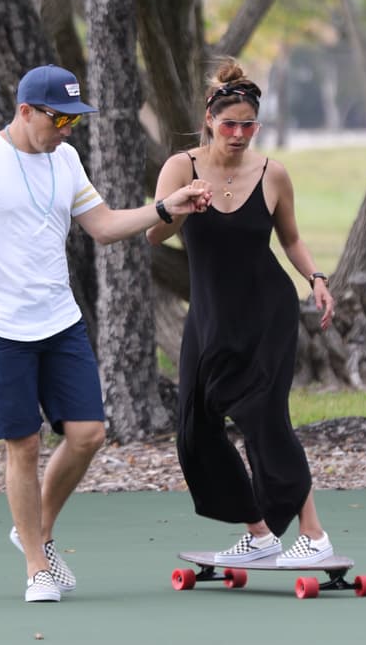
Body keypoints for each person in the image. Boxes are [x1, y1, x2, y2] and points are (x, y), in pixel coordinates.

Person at [0, 64, 212, 604]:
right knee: (24, 444)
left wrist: (167, 207)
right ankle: (36, 566)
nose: (67, 129)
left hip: (60, 322)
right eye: (59, 118)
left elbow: (101, 227)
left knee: (88, 434)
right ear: (25, 111)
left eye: (75, 120)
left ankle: (37, 528)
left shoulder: (66, 158)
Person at [146, 58, 337, 568]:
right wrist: (180, 205)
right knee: (196, 427)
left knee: (264, 418)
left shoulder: (272, 173)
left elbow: (291, 239)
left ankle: (314, 536)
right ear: (209, 121)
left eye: (248, 125)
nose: (238, 134)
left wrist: (316, 279)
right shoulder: (180, 168)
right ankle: (259, 532)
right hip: (210, 316)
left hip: (265, 313)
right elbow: (153, 233)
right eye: (229, 125)